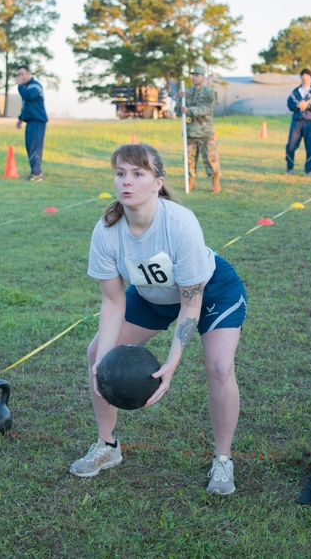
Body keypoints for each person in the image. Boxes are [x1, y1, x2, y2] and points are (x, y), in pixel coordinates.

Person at [72, 143, 248, 495]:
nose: (127, 181)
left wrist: (171, 363)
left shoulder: (180, 223)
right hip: (153, 296)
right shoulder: (107, 230)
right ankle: (107, 447)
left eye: (138, 174)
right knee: (96, 355)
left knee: (219, 367)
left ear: (158, 183)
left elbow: (190, 305)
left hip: (209, 292)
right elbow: (112, 301)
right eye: (121, 173)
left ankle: (223, 460)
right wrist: (104, 361)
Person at [178, 67, 221, 193]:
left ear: (203, 77)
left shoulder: (210, 92)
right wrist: (180, 99)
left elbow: (207, 109)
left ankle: (215, 181)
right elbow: (178, 110)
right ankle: (190, 182)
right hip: (190, 131)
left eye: (197, 75)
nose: (194, 77)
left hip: (205, 131)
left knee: (211, 157)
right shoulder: (187, 92)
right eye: (193, 75)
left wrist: (190, 110)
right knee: (189, 159)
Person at [285, 68, 311, 176]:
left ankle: (308, 170)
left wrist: (309, 106)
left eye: (307, 75)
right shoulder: (295, 92)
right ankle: (290, 168)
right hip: (297, 122)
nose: (304, 77)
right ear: (300, 77)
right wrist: (297, 106)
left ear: (310, 77)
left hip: (310, 122)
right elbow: (289, 104)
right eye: (302, 75)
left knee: (310, 146)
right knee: (290, 146)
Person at [15, 65, 48, 182]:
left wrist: (19, 86)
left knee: (35, 147)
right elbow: (26, 107)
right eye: (18, 75)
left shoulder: (35, 86)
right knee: (30, 146)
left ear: (29, 73)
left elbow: (28, 96)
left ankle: (37, 174)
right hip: (30, 122)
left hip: (37, 121)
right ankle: (34, 171)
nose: (20, 77)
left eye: (22, 74)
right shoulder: (26, 87)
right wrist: (20, 119)